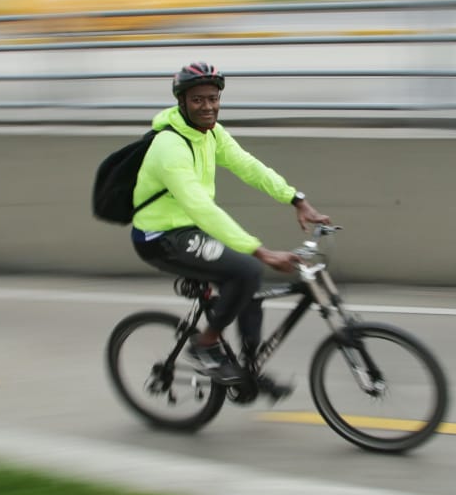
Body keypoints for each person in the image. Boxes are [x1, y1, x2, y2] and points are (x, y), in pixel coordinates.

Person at [131, 61, 331, 387]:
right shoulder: (170, 146)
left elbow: (249, 167)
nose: (208, 107)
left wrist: (296, 198)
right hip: (161, 236)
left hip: (190, 229)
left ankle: (248, 370)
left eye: (213, 98)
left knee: (246, 281)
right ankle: (205, 344)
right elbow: (199, 206)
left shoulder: (211, 133)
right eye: (198, 100)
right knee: (249, 268)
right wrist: (260, 251)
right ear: (182, 102)